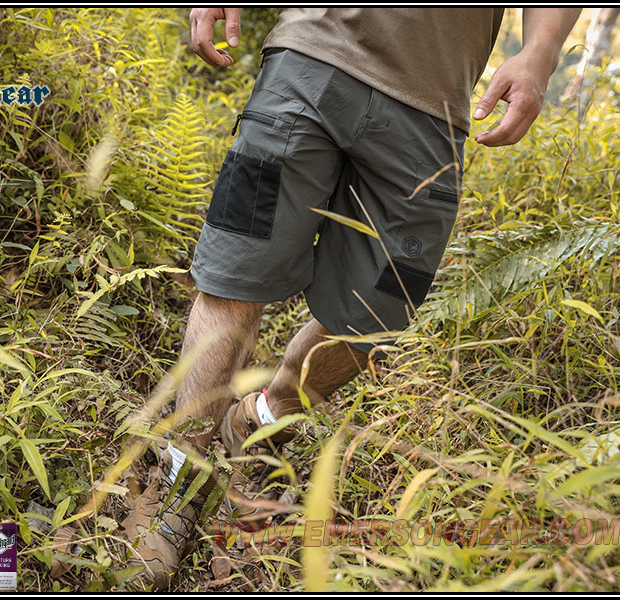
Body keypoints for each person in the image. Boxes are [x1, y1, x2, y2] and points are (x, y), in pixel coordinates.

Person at [55, 7, 582, 589]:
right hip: (311, 57)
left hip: (436, 105)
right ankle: (180, 482)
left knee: (374, 317)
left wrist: (540, 54)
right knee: (235, 275)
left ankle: (262, 418)